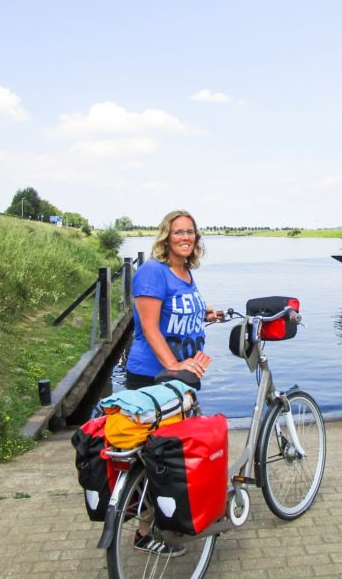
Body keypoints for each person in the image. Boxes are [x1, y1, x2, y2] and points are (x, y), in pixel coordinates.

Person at [125, 209, 224, 556]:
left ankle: (172, 518)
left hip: (181, 379)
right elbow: (150, 328)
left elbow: (175, 313)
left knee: (170, 454)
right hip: (154, 377)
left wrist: (203, 313)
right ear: (166, 236)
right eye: (179, 232)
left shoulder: (185, 272)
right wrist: (175, 367)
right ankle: (144, 532)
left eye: (191, 232)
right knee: (156, 457)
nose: (185, 237)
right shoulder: (154, 271)